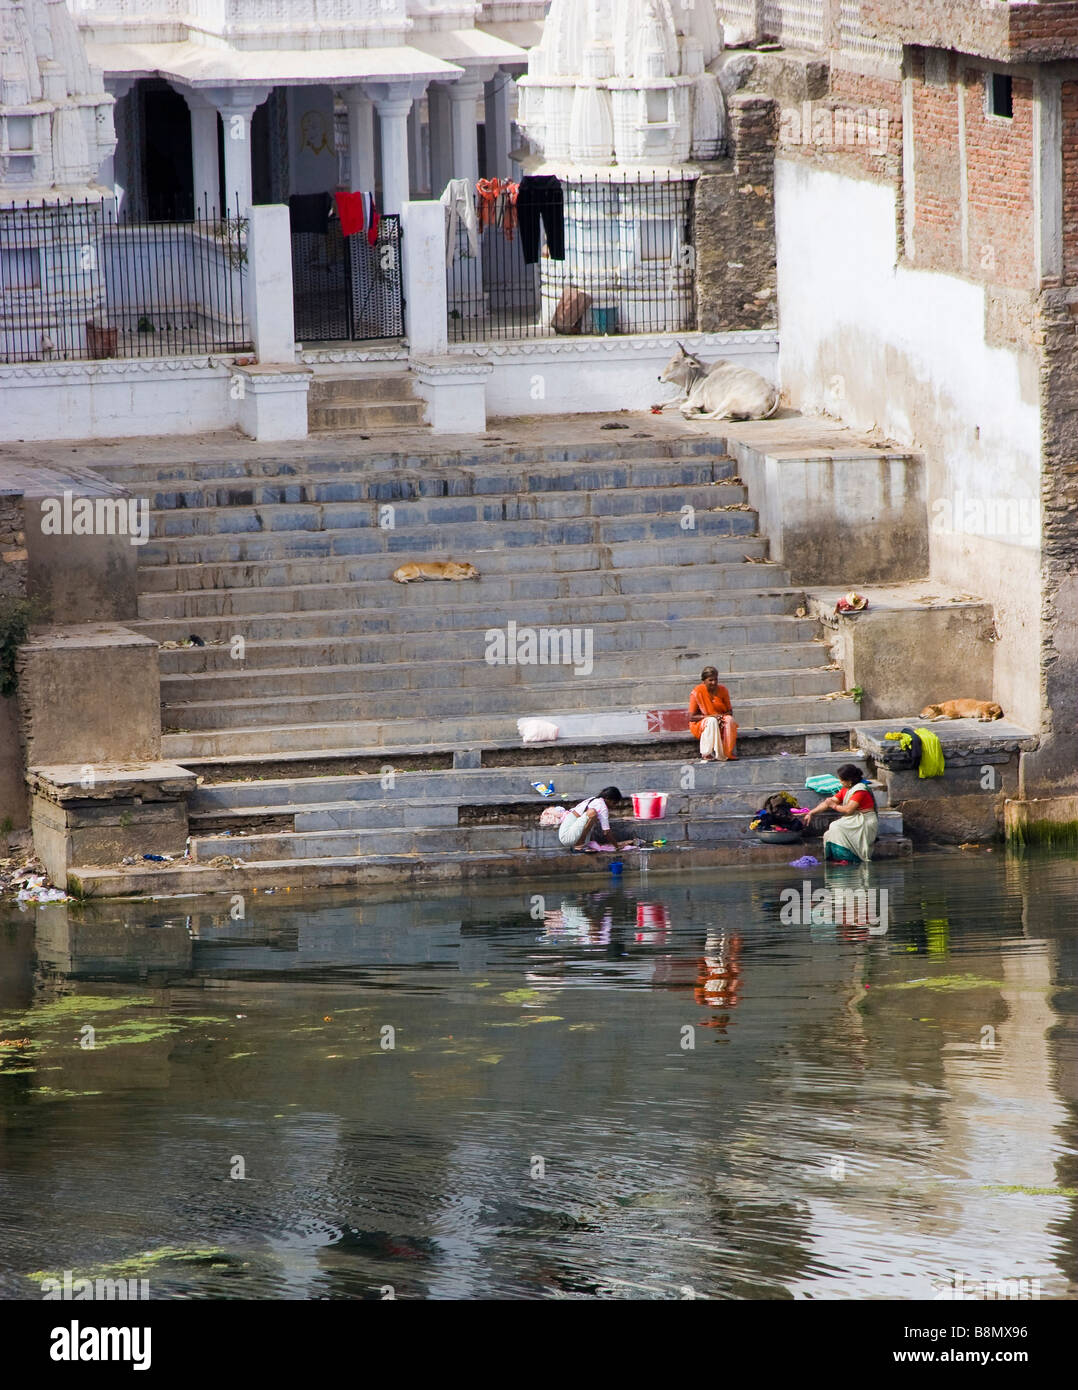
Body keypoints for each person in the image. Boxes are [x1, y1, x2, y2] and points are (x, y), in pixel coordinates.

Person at [795, 763, 878, 863]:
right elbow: (828, 803)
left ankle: (849, 858)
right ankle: (839, 859)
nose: (840, 782)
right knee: (829, 834)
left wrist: (834, 806)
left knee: (836, 826)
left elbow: (848, 810)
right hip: (854, 819)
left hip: (865, 821)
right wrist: (811, 813)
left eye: (842, 780)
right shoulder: (846, 789)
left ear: (850, 781)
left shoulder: (860, 791)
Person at [688, 666, 738, 761]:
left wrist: (721, 717)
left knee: (729, 720)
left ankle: (726, 753)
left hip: (720, 719)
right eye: (710, 680)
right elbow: (691, 717)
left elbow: (730, 711)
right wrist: (711, 716)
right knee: (711, 721)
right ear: (704, 681)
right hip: (700, 724)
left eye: (716, 679)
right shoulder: (697, 692)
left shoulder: (723, 690)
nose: (714, 683)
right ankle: (706, 753)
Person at [558, 786, 629, 852]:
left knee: (593, 815)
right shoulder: (602, 806)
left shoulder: (594, 800)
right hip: (567, 837)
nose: (614, 806)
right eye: (614, 803)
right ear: (607, 798)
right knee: (592, 813)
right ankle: (579, 845)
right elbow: (606, 832)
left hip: (568, 836)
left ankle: (581, 843)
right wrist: (616, 847)